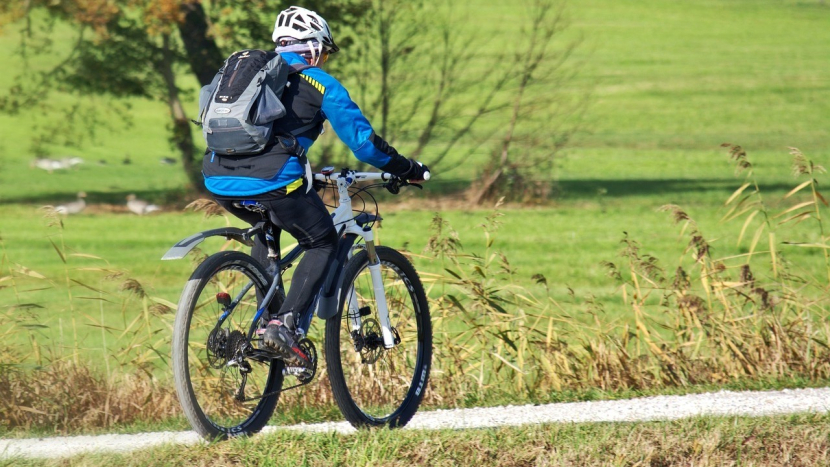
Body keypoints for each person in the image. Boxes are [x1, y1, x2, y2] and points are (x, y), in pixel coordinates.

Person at [202, 6, 428, 365]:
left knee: (268, 225)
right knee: (321, 240)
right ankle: (285, 325)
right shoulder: (319, 83)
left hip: (217, 179)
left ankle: (263, 324)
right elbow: (364, 144)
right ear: (312, 48)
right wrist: (407, 168)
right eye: (323, 52)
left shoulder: (248, 76)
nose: (323, 59)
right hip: (275, 181)